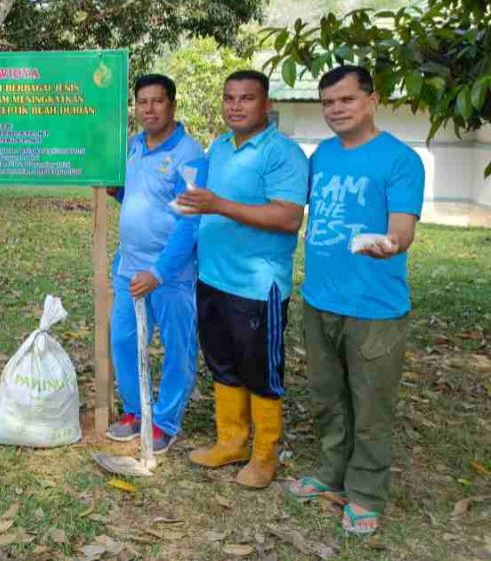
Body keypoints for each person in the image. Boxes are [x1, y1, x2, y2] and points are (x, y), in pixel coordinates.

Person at [288, 65, 423, 536]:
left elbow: (403, 229)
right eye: (327, 103)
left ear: (371, 99)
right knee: (327, 398)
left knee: (370, 407)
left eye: (345, 100)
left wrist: (391, 244)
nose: (335, 110)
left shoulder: (400, 160)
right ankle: (331, 474)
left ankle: (365, 492)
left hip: (374, 308)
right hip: (319, 298)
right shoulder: (321, 155)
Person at [177, 70, 308, 489]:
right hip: (214, 276)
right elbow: (211, 204)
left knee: (260, 371)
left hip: (257, 286)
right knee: (222, 363)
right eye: (229, 97)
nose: (235, 105)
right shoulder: (219, 146)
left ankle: (264, 455)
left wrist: (217, 204)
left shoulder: (283, 153)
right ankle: (231, 441)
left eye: (246, 98)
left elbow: (288, 218)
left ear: (266, 104)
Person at [105, 74, 205, 453]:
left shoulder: (189, 155)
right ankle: (135, 411)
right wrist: (118, 193)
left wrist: (159, 272)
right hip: (129, 269)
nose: (148, 109)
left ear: (172, 105)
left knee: (178, 347)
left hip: (171, 275)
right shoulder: (133, 146)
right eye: (142, 102)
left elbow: (189, 221)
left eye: (156, 101)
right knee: (125, 340)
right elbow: (139, 198)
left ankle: (165, 421)